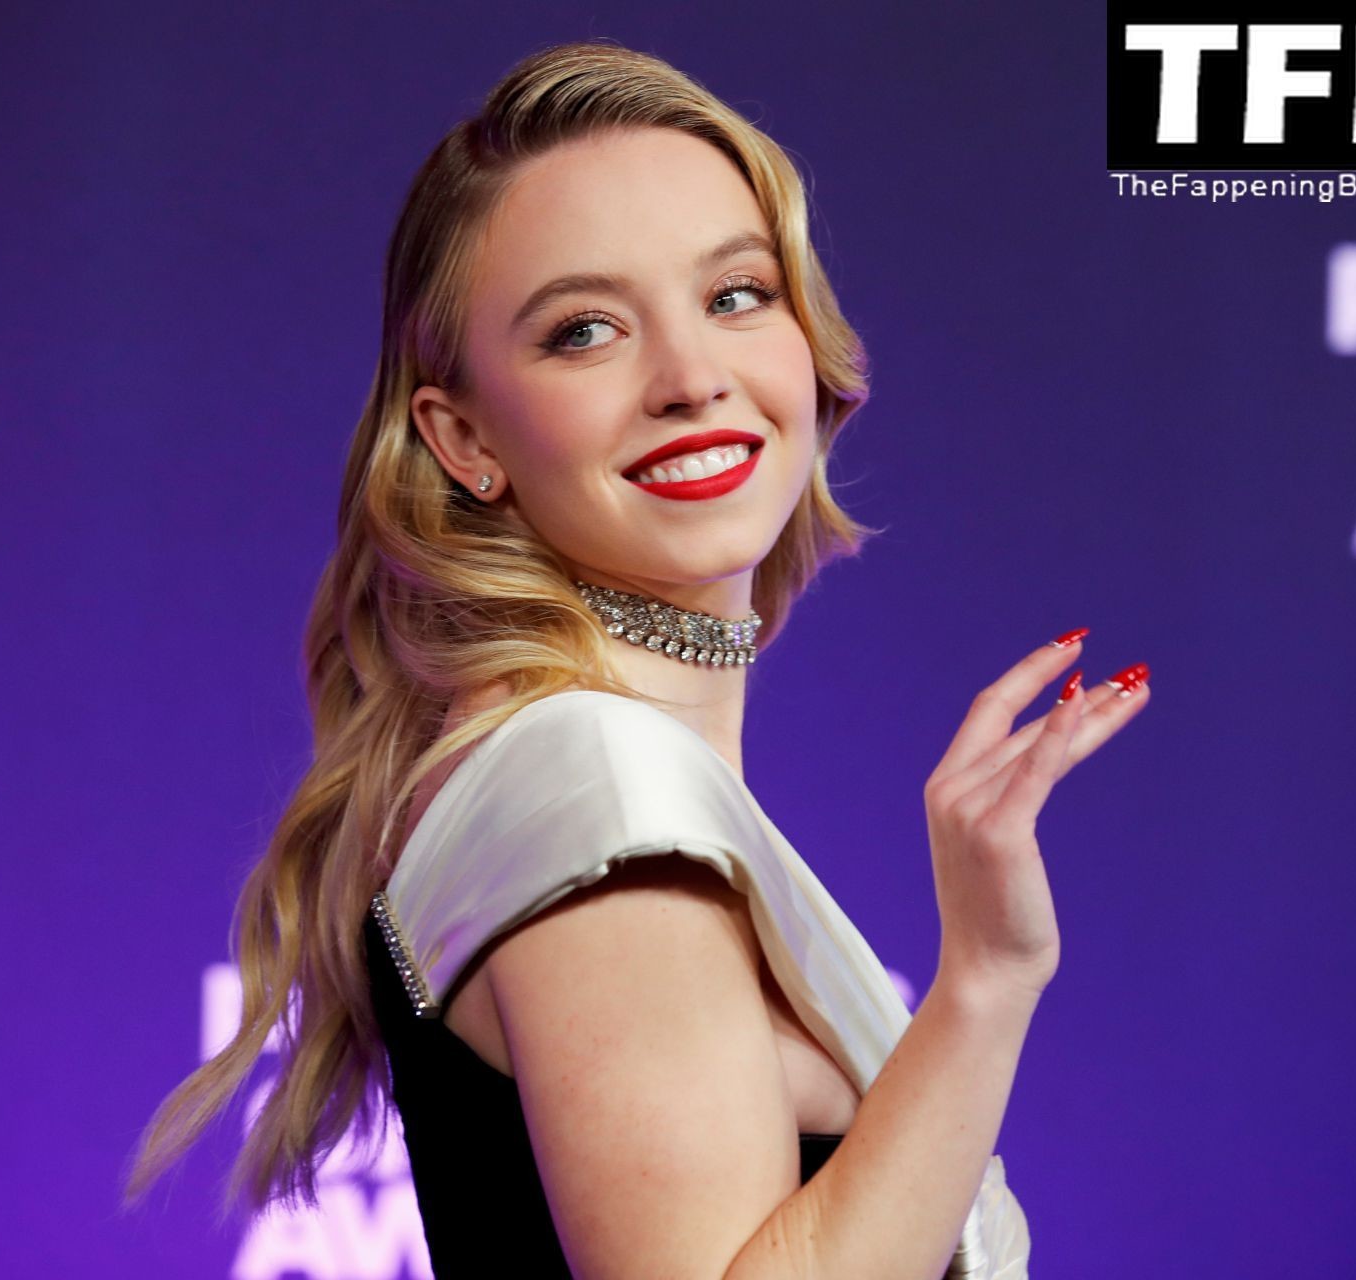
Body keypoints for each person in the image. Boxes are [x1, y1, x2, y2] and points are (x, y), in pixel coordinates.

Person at [120, 38, 1151, 1279]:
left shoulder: (571, 763)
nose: (692, 377)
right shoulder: (591, 779)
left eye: (737, 294)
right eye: (586, 330)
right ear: (463, 437)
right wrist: (987, 980)